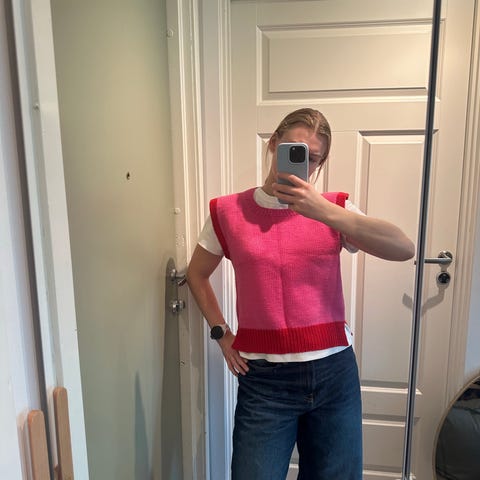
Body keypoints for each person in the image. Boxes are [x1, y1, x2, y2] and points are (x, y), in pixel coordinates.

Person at [186, 108, 415, 480]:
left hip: (334, 374)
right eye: (294, 149)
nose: (302, 162)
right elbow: (196, 274)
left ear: (320, 163)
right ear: (274, 144)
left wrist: (324, 211)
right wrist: (221, 334)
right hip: (264, 382)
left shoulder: (334, 209)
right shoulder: (227, 212)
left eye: (313, 158)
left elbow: (404, 248)